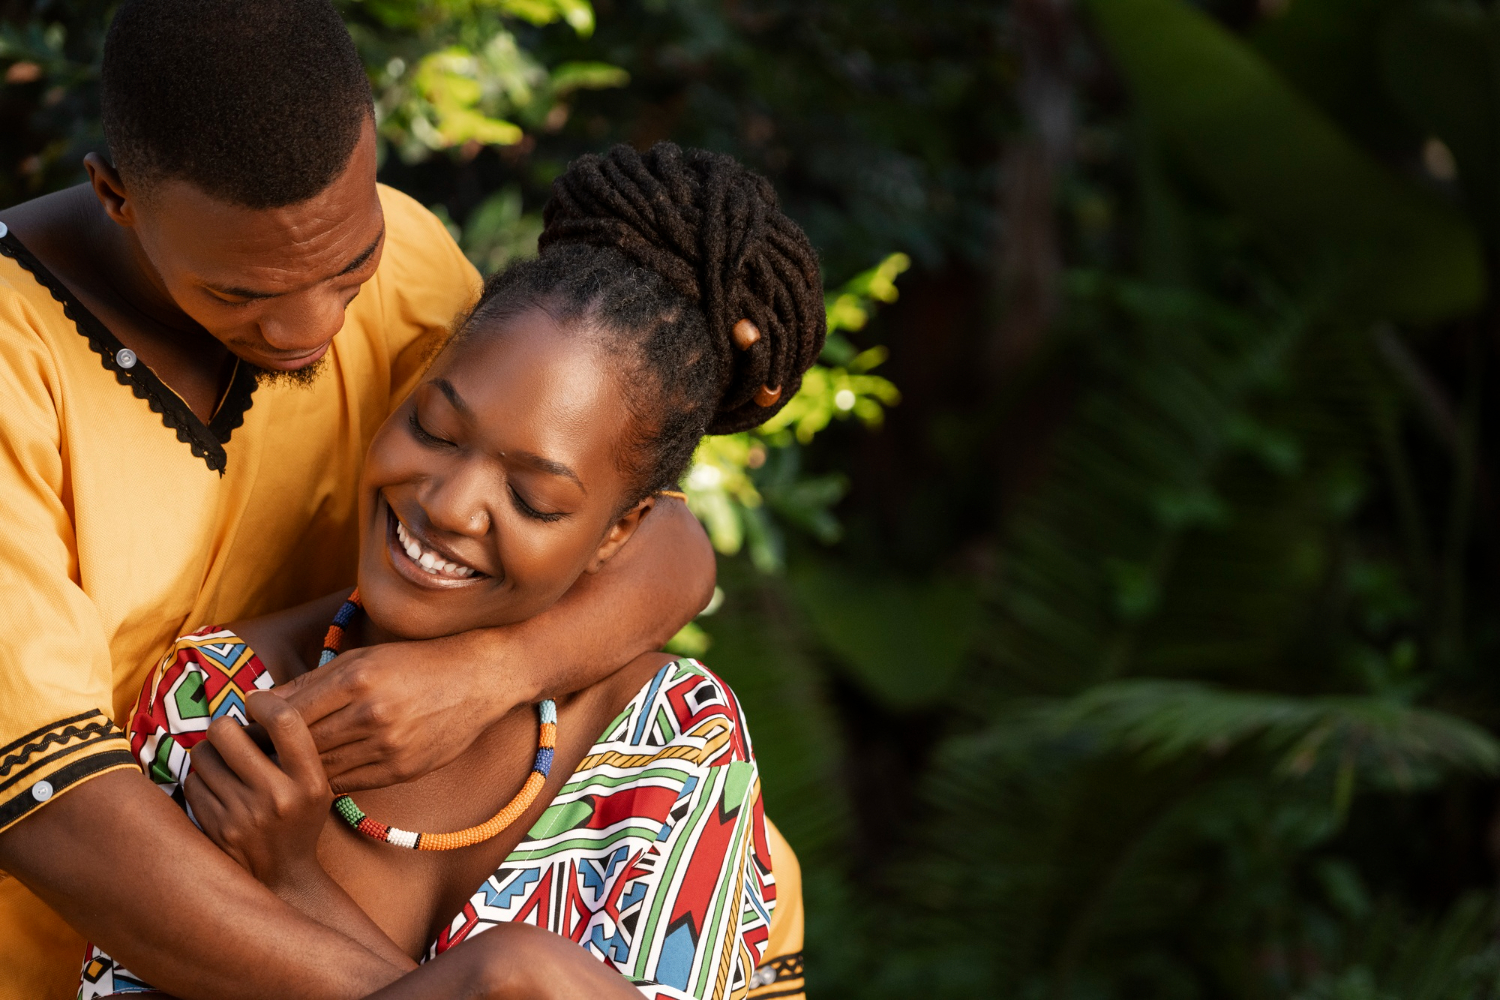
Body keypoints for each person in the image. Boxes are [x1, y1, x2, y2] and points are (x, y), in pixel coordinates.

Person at [0, 3, 716, 997]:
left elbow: (659, 541)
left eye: (348, 266)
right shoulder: (16, 360)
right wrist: (468, 990)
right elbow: (52, 814)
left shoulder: (409, 259)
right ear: (116, 194)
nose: (310, 326)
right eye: (240, 293)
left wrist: (487, 674)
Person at [78, 142, 821, 1000]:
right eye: (433, 429)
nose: (450, 504)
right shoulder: (220, 708)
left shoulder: (670, 742)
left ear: (620, 531)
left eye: (534, 497)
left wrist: (296, 886)